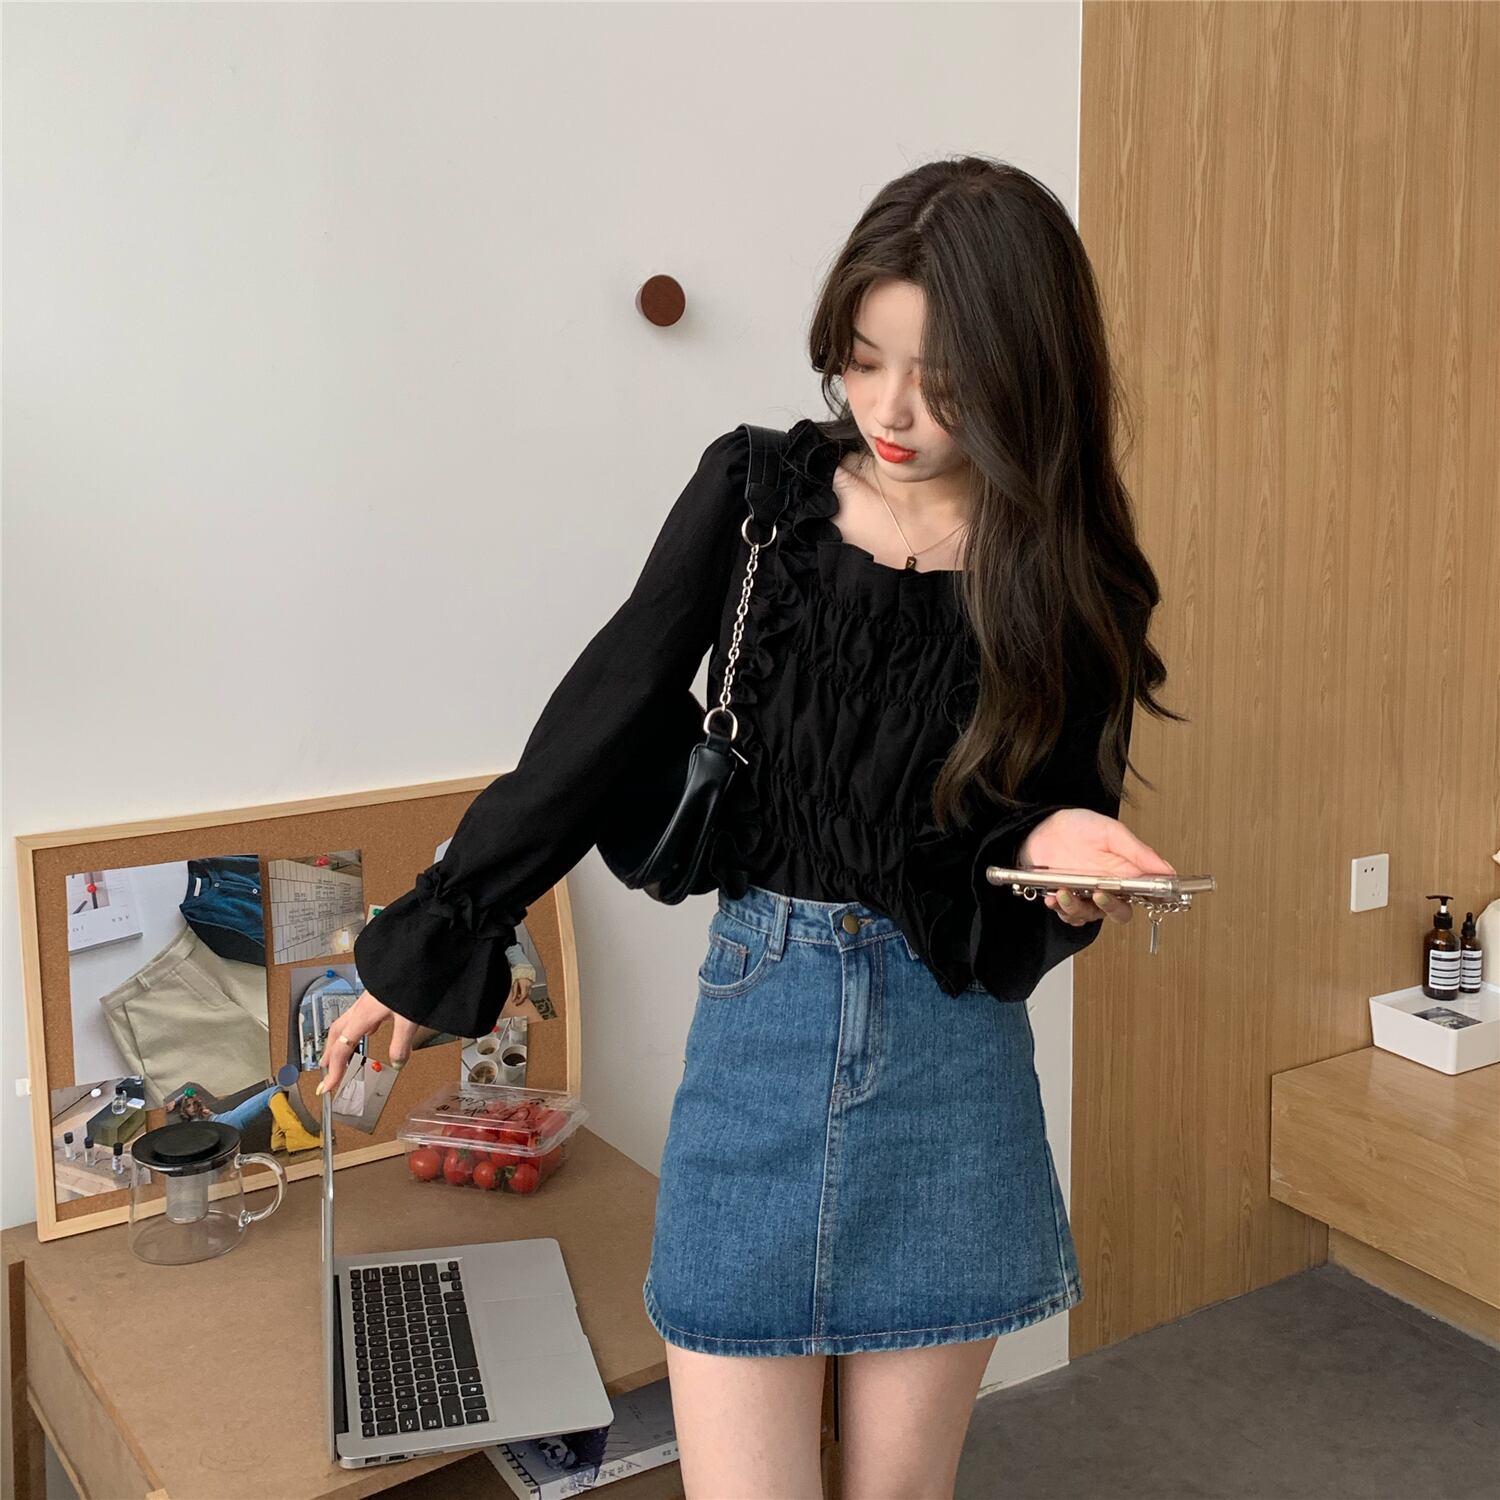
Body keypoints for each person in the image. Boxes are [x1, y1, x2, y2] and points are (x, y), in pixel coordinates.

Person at [320, 155, 1181, 1500]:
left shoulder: (1067, 571)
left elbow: (1032, 836)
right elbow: (603, 718)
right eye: (864, 358)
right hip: (760, 1030)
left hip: (950, 1059)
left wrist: (1060, 852)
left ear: (1028, 372)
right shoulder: (759, 495)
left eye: (945, 380)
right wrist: (436, 933)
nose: (891, 409)